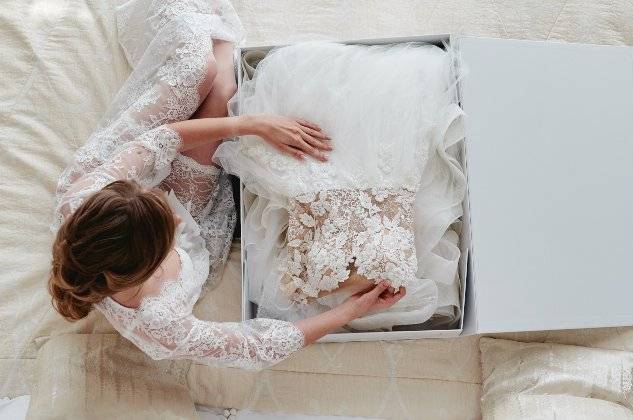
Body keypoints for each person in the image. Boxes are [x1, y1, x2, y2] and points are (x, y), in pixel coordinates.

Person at [47, 0, 405, 370]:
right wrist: (352, 310)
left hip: (111, 181)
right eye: (169, 231)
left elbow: (164, 139)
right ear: (151, 264)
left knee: (197, 70)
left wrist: (254, 124)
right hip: (187, 233)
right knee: (223, 88)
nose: (177, 219)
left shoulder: (83, 198)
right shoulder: (157, 324)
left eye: (165, 212)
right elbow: (255, 346)